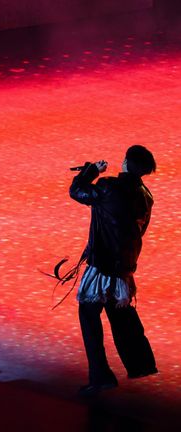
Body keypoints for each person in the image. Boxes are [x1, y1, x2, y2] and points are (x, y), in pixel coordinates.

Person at [69, 145, 158, 396]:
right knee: (119, 313)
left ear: (127, 163)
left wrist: (90, 171)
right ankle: (140, 364)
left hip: (104, 265)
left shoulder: (109, 186)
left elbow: (77, 191)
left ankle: (100, 375)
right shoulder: (145, 195)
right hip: (124, 265)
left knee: (89, 313)